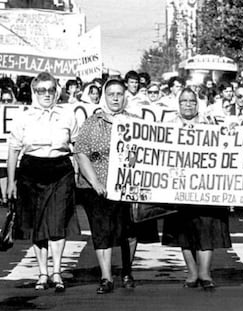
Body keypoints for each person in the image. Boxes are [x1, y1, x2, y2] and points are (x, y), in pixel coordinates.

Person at [7, 72, 79, 293]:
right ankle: (42, 272)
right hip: (31, 171)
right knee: (38, 225)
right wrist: (11, 181)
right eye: (41, 90)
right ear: (34, 92)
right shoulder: (23, 117)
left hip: (60, 170)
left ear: (57, 91)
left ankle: (56, 271)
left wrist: (77, 173)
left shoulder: (67, 115)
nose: (46, 95)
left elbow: (76, 147)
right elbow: (13, 149)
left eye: (51, 90)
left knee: (57, 222)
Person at [74, 79, 143, 294]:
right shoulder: (93, 122)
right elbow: (81, 151)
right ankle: (106, 277)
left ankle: (127, 270)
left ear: (125, 96)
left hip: (126, 187)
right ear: (105, 96)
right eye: (111, 94)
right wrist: (95, 182)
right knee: (101, 231)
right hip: (98, 187)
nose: (115, 97)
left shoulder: (136, 122)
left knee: (129, 231)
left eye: (119, 94)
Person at [162, 88, 231, 290]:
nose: (188, 105)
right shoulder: (168, 126)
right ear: (178, 103)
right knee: (184, 231)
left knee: (207, 230)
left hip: (206, 187)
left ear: (197, 104)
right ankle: (192, 272)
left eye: (192, 101)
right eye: (184, 101)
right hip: (178, 187)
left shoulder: (209, 124)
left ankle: (205, 273)